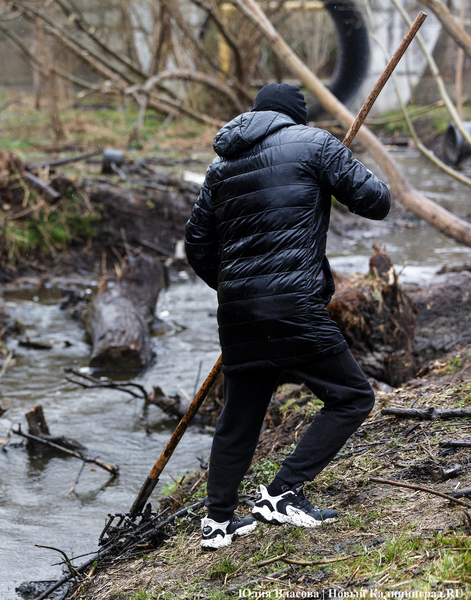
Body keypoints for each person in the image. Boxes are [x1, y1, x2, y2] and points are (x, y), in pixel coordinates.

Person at [185, 83, 391, 551]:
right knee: (352, 397)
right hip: (292, 306)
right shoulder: (316, 143)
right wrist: (341, 160)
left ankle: (218, 521)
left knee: (240, 416)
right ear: (295, 118)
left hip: (238, 312)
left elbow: (196, 244)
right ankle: (282, 492)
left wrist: (238, 290)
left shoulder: (221, 166)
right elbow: (376, 202)